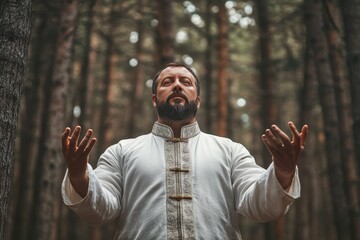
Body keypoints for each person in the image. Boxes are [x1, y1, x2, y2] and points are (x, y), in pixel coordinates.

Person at [61, 62, 308, 239]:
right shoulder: (122, 151)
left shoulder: (230, 150)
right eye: (167, 82)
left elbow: (259, 205)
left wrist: (283, 172)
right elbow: (100, 210)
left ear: (197, 100)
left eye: (185, 82)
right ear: (155, 99)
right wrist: (78, 175)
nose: (177, 86)